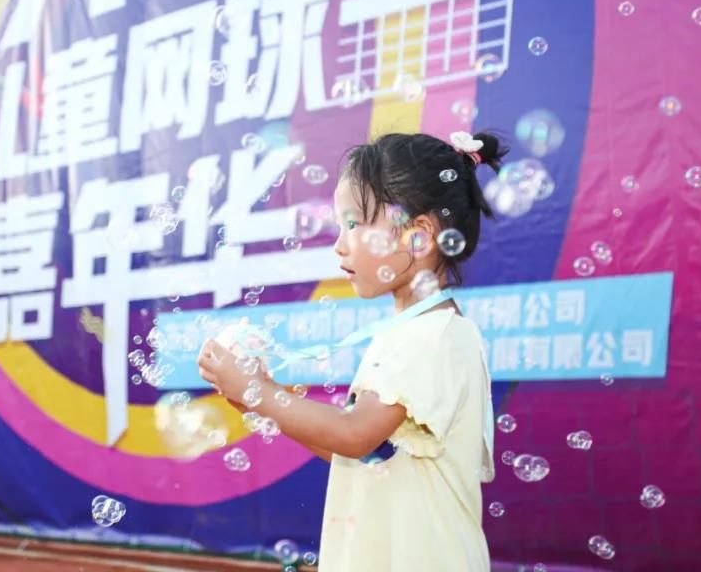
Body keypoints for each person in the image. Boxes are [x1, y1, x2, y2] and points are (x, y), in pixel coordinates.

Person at [198, 130, 506, 571]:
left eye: (355, 224)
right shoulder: (407, 333)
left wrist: (261, 393)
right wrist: (261, 398)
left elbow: (355, 433)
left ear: (419, 236)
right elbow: (363, 452)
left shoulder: (437, 334)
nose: (340, 244)